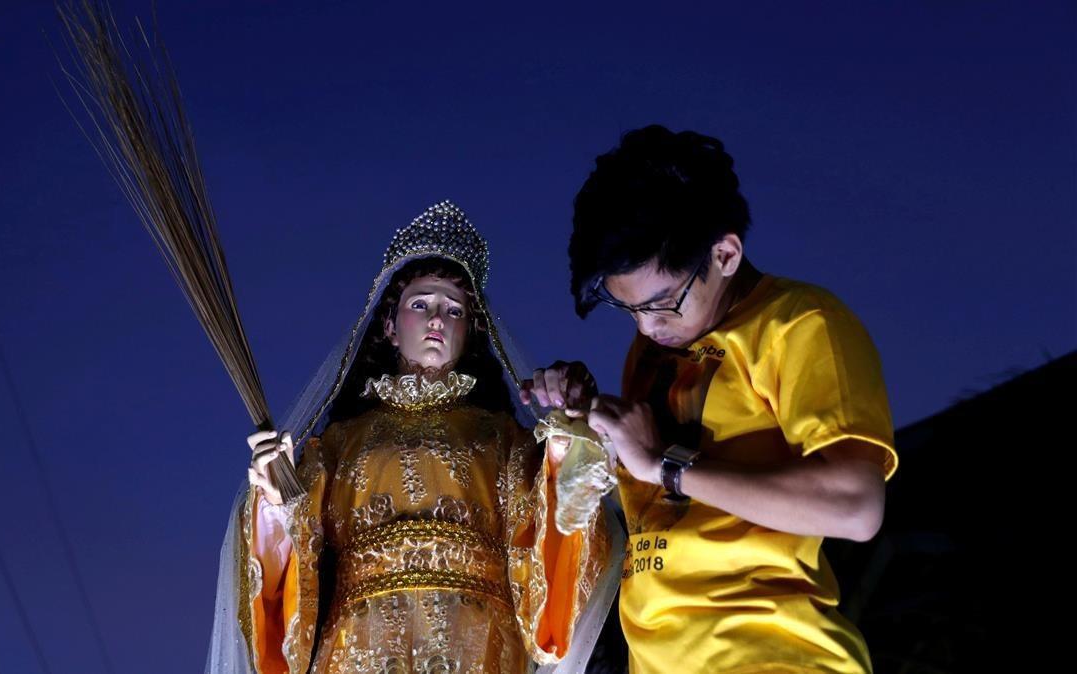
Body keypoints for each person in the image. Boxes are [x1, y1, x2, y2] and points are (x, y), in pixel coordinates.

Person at [523, 127, 899, 674]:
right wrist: (585, 418)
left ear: (724, 253)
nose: (648, 328)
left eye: (661, 304)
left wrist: (664, 465)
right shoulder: (653, 352)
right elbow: (651, 492)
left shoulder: (798, 324)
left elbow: (857, 506)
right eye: (627, 310)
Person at [206, 201, 620, 674]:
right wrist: (276, 507)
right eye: (420, 304)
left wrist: (567, 445)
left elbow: (549, 543)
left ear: (472, 332)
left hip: (478, 645)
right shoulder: (340, 444)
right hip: (359, 644)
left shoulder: (503, 439)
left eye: (454, 309)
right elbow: (296, 566)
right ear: (389, 325)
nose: (437, 319)